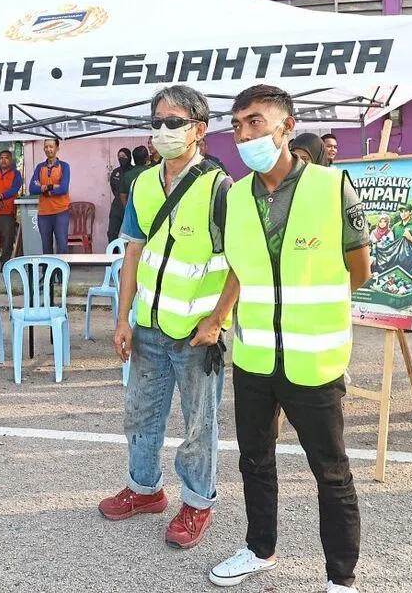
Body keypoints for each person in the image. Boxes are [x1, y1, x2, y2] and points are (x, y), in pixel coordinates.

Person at [210, 84, 370, 592]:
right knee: (254, 459)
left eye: (256, 121)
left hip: (313, 359)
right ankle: (260, 549)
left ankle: (341, 579)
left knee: (331, 473)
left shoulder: (332, 185)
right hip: (254, 356)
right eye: (237, 125)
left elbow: (358, 269)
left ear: (286, 125)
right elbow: (237, 267)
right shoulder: (234, 196)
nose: (245, 133)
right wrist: (218, 316)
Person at [101, 85, 233, 550]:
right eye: (157, 122)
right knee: (140, 413)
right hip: (149, 327)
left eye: (174, 122)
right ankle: (144, 489)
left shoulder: (219, 187)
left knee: (199, 422)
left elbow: (240, 263)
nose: (163, 130)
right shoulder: (140, 183)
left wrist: (217, 320)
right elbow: (133, 254)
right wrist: (122, 319)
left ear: (199, 130)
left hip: (197, 333)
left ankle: (197, 503)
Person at [29, 138, 71, 254]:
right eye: (46, 147)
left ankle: (62, 272)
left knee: (62, 246)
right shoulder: (39, 167)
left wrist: (42, 187)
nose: (49, 149)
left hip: (60, 212)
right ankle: (48, 272)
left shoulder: (64, 166)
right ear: (43, 149)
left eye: (51, 146)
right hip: (44, 213)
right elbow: (32, 189)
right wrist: (51, 187)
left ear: (57, 148)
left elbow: (63, 189)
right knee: (46, 247)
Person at [0, 149, 23, 263]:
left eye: (6, 158)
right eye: (1, 158)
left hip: (7, 211)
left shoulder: (16, 174)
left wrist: (1, 197)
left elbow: (15, 189)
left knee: (7, 238)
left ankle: (5, 263)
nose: (3, 160)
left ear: (11, 159)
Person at [107, 147, 132, 243]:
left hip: (130, 206)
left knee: (131, 235)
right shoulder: (115, 172)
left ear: (129, 157)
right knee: (112, 233)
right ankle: (113, 256)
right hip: (117, 206)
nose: (121, 158)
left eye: (124, 156)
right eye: (119, 156)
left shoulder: (132, 171)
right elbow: (113, 188)